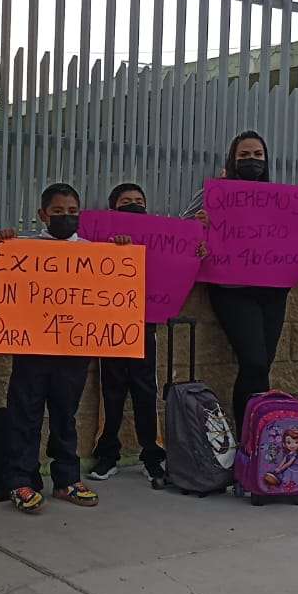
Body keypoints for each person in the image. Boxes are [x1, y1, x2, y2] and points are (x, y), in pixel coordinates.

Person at [0, 183, 112, 513]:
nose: (66, 217)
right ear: (42, 215)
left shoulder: (93, 252)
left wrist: (121, 252)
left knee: (66, 415)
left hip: (74, 351)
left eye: (72, 212)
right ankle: (22, 481)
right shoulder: (25, 250)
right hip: (32, 349)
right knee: (25, 414)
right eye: (58, 212)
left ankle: (65, 480)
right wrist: (5, 246)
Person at [182, 131, 289, 428]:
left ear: (266, 161)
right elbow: (184, 229)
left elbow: (294, 237)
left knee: (263, 364)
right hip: (232, 290)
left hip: (272, 291)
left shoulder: (280, 198)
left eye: (257, 155)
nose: (251, 160)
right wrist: (198, 224)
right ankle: (248, 436)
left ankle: (257, 435)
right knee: (253, 362)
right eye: (244, 155)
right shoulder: (215, 193)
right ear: (233, 158)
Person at [88, 182, 172, 489]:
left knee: (145, 389)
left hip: (144, 323)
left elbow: (175, 263)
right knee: (110, 390)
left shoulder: (157, 240)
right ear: (113, 209)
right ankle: (107, 453)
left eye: (139, 200)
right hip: (109, 324)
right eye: (126, 201)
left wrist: (194, 248)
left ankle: (152, 455)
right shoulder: (101, 238)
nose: (134, 204)